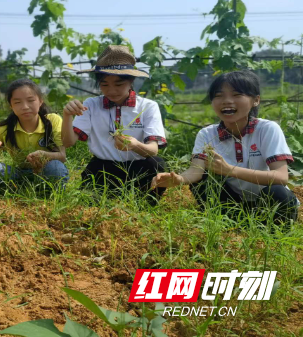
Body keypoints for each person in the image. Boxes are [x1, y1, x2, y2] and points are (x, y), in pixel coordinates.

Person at [152, 70, 299, 223]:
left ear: (256, 100)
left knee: (278, 192)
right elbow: (195, 172)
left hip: (268, 202)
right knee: (202, 182)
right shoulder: (207, 134)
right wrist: (179, 179)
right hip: (234, 202)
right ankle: (229, 223)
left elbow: (281, 177)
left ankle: (270, 227)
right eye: (218, 96)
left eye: (236, 95)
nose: (226, 101)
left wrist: (229, 170)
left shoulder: (267, 129)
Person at [61, 45, 167, 198]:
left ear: (131, 81)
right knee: (92, 202)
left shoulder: (147, 107)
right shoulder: (91, 105)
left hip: (138, 168)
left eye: (118, 84)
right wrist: (66, 116)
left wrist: (135, 145)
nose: (111, 91)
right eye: (104, 85)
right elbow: (68, 142)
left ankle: (145, 202)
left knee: (155, 164)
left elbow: (153, 150)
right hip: (103, 167)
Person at [0, 79, 68, 187]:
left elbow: (62, 156)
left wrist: (44, 155)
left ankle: (45, 190)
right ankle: (21, 188)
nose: (25, 107)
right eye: (17, 102)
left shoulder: (52, 120)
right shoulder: (6, 127)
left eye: (31, 100)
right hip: (19, 174)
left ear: (40, 101)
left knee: (56, 168)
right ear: (11, 106)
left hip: (46, 171)